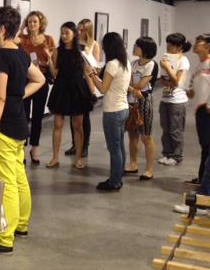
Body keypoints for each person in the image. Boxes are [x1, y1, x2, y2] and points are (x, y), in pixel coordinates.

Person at [0, 7, 45, 256]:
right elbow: (39, 79)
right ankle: (21, 225)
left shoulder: (2, 56)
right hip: (19, 124)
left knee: (7, 182)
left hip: (4, 126)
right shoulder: (21, 54)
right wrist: (19, 96)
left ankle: (5, 238)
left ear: (2, 29)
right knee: (18, 176)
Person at [86, 32, 131, 191]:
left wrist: (91, 74)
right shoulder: (125, 62)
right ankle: (118, 176)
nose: (103, 48)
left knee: (114, 148)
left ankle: (114, 182)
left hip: (113, 111)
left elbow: (103, 89)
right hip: (123, 108)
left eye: (104, 45)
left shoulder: (112, 64)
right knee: (119, 146)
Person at [46, 22, 94, 169]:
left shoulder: (81, 51)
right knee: (57, 124)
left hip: (77, 89)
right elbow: (55, 74)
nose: (64, 35)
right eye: (62, 33)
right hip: (61, 88)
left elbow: (87, 72)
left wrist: (92, 90)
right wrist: (49, 60)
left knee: (78, 125)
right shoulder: (57, 51)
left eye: (67, 33)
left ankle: (78, 158)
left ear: (74, 34)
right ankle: (55, 158)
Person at [18, 10, 55, 164]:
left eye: (35, 22)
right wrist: (21, 28)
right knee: (24, 115)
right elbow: (12, 40)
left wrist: (47, 59)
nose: (32, 24)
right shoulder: (23, 39)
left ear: (41, 24)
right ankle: (22, 148)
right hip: (25, 80)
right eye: (29, 21)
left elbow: (53, 64)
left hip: (41, 81)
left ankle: (35, 148)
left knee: (38, 116)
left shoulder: (48, 40)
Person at [66, 19, 101, 158]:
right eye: (78, 29)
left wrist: (87, 58)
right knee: (73, 115)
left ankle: (85, 145)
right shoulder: (73, 43)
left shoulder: (94, 44)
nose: (79, 32)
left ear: (88, 31)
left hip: (86, 82)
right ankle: (75, 144)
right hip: (73, 81)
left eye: (82, 30)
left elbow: (96, 67)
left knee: (84, 116)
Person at [125, 37, 158, 180]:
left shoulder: (151, 64)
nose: (134, 48)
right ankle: (133, 164)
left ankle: (149, 169)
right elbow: (128, 82)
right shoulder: (133, 63)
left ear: (145, 49)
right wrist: (132, 88)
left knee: (146, 136)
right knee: (132, 135)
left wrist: (130, 87)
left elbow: (141, 84)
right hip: (131, 101)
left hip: (144, 102)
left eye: (136, 46)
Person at [158, 33, 192, 166]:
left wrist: (167, 68)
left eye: (170, 44)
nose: (167, 46)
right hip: (165, 98)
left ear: (179, 46)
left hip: (178, 100)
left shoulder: (183, 60)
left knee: (175, 130)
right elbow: (162, 81)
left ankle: (176, 156)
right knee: (165, 129)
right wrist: (169, 78)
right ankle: (167, 153)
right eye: (167, 43)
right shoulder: (167, 58)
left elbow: (177, 82)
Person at [184, 34, 210, 185]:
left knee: (207, 146)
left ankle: (205, 181)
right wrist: (187, 90)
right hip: (201, 111)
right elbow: (193, 91)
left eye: (199, 42)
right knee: (205, 146)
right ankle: (202, 177)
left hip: (207, 110)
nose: (195, 44)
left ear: (208, 46)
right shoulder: (199, 66)